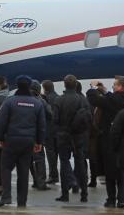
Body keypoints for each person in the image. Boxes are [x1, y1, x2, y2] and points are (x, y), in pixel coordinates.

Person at [0, 75, 46, 208]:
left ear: (17, 85)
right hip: (28, 142)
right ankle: (22, 201)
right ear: (29, 86)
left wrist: (0, 138)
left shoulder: (9, 101)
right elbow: (41, 125)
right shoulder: (37, 103)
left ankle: (6, 196)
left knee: (5, 167)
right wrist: (39, 142)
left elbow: (1, 122)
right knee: (23, 172)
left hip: (11, 140)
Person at [86, 76, 124, 208]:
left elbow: (93, 99)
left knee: (110, 173)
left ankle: (111, 199)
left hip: (109, 142)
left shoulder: (112, 100)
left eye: (114, 85)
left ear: (120, 87)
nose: (112, 87)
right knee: (122, 172)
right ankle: (121, 199)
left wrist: (93, 87)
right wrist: (105, 91)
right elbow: (111, 98)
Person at [54, 75, 91, 203]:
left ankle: (66, 193)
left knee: (64, 162)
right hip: (79, 136)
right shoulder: (83, 100)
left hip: (64, 136)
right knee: (80, 163)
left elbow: (55, 120)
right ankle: (84, 194)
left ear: (64, 85)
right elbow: (89, 119)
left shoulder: (59, 100)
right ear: (76, 85)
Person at [29, 80, 51, 191]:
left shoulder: (23, 99)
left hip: (24, 134)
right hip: (37, 135)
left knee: (29, 159)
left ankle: (35, 180)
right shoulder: (40, 101)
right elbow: (50, 114)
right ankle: (41, 183)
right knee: (39, 159)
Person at [41, 80, 60, 184]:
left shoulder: (45, 99)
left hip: (48, 130)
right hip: (57, 130)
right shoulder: (58, 97)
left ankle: (53, 175)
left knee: (50, 153)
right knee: (58, 154)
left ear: (45, 88)